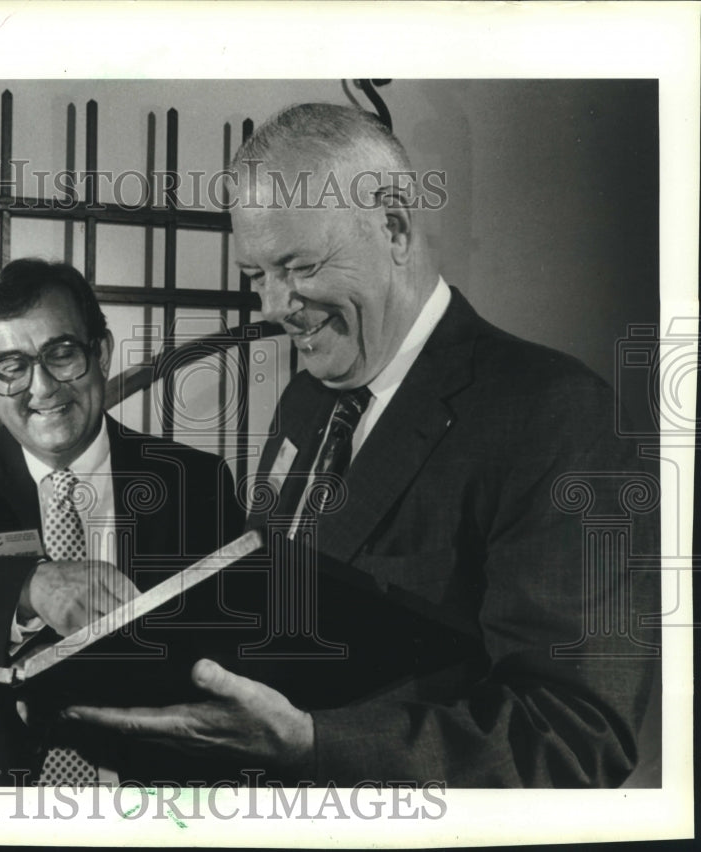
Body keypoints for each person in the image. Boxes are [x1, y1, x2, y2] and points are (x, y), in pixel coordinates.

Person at [66, 103, 660, 787]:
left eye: (300, 265)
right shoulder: (306, 403)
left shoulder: (555, 414)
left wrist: (313, 745)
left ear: (395, 227)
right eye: (257, 276)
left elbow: (573, 738)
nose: (272, 305)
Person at [0, 258, 244, 785]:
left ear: (101, 352)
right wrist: (28, 586)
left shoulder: (192, 480)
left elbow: (240, 641)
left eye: (61, 354)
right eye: (12, 366)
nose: (41, 388)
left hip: (154, 796)